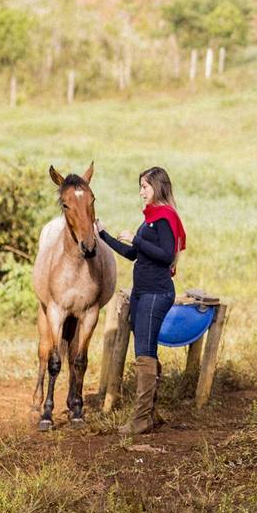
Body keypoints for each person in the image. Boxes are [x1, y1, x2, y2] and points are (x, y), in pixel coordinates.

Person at [96, 166, 186, 435]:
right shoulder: (150, 219)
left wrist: (137, 238)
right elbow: (134, 254)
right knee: (146, 351)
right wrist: (104, 235)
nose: (140, 192)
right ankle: (151, 412)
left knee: (144, 354)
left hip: (156, 293)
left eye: (144, 187)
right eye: (140, 187)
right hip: (142, 292)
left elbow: (166, 254)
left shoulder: (164, 217)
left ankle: (141, 418)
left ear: (157, 187)